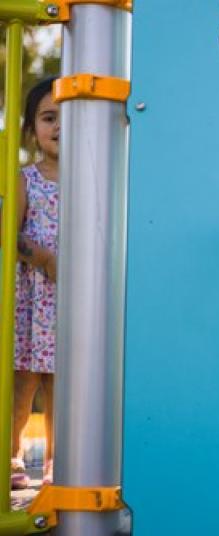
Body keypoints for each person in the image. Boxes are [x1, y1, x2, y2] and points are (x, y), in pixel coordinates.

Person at [5, 78, 60, 489]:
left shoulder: (94, 176)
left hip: (74, 297)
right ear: (31, 128)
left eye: (69, 117)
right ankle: (11, 457)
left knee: (65, 385)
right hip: (35, 297)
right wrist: (42, 258)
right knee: (23, 382)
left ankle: (63, 462)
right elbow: (10, 233)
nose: (59, 126)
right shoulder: (27, 178)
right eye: (48, 117)